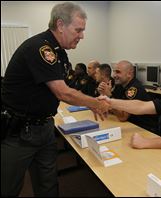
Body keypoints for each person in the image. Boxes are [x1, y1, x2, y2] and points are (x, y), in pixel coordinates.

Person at [1, 2, 109, 197]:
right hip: (19, 133)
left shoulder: (60, 53)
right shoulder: (41, 48)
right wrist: (95, 103)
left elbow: (69, 88)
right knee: (8, 188)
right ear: (60, 25)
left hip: (44, 128)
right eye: (78, 30)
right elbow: (63, 93)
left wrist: (93, 98)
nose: (82, 36)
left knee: (48, 185)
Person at [101, 60, 159, 133]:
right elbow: (111, 109)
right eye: (114, 71)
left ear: (129, 74)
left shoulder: (134, 89)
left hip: (143, 129)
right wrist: (105, 94)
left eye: (118, 72)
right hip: (130, 124)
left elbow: (123, 117)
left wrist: (109, 96)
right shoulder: (120, 86)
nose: (114, 75)